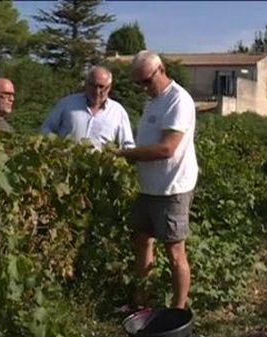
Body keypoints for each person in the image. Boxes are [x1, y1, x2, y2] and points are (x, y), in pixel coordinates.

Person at [114, 50, 198, 310]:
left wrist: (122, 155)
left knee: (174, 251)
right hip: (149, 186)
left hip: (172, 187)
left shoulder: (178, 100)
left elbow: (166, 149)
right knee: (141, 240)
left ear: (160, 70)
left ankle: (178, 311)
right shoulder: (153, 100)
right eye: (138, 83)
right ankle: (141, 302)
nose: (143, 88)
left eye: (146, 82)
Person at [40, 66, 135, 150]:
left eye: (101, 87)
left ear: (109, 87)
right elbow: (45, 129)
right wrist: (57, 147)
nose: (97, 91)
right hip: (65, 165)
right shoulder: (67, 103)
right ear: (86, 84)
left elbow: (127, 145)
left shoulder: (118, 112)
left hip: (98, 168)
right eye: (93, 85)